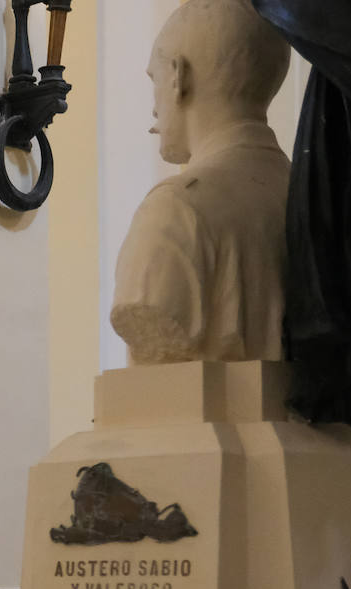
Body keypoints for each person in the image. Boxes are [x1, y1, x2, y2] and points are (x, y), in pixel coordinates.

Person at [109, 0, 292, 364]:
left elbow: (147, 317)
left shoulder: (174, 211)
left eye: (154, 81)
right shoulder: (311, 200)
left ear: (178, 77)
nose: (154, 108)